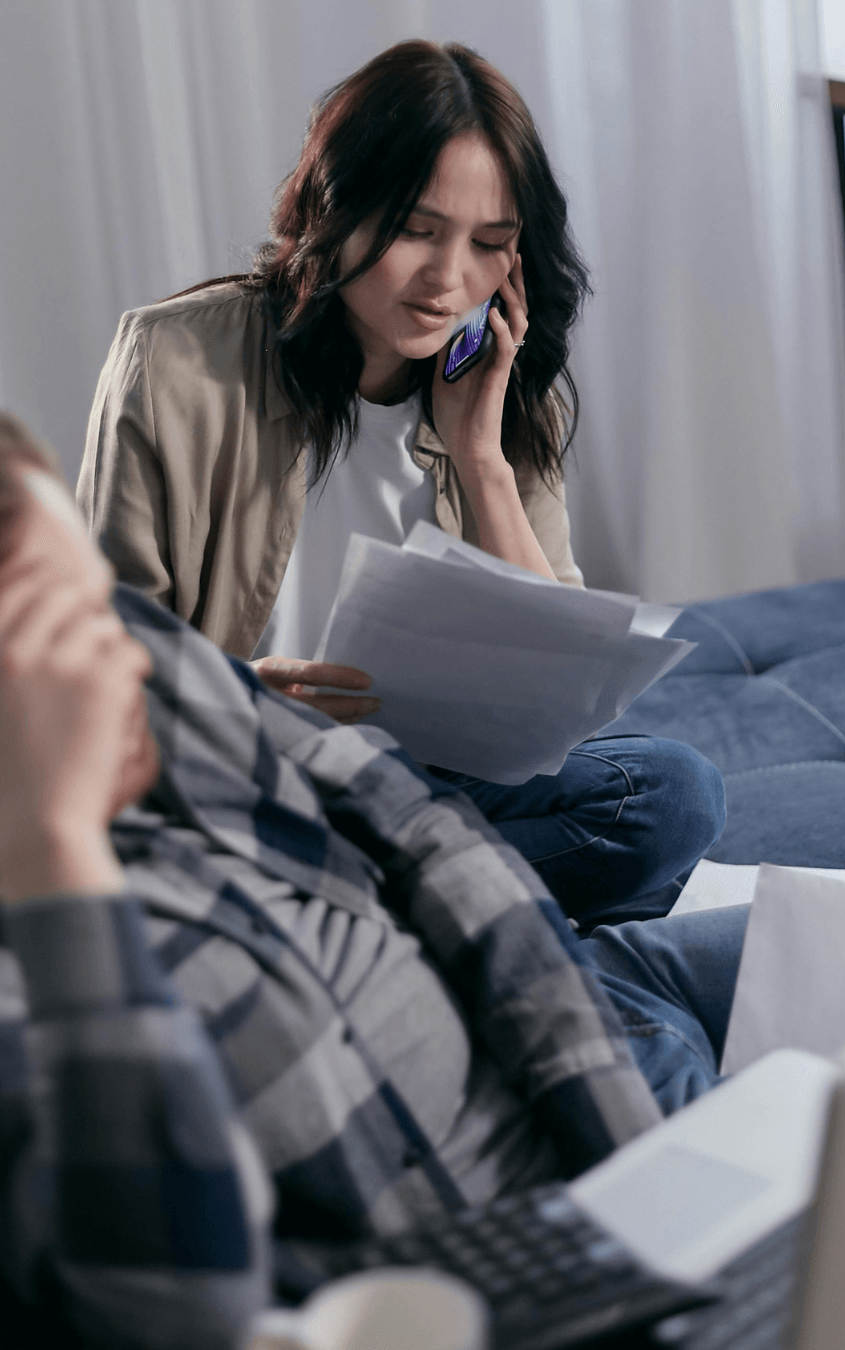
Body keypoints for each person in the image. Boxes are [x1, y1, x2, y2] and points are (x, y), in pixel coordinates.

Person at [0, 380, 751, 1350]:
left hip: (565, 1044)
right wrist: (58, 851)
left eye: (89, 605)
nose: (115, 668)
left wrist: (635, 1164)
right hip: (484, 1269)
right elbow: (179, 1313)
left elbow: (417, 824)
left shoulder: (113, 632)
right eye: (25, 662)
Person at [77, 39, 723, 929]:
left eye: (490, 244)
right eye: (416, 230)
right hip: (250, 774)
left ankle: (351, 910)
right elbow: (100, 662)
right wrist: (240, 697)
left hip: (428, 789)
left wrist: (480, 458)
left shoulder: (504, 392)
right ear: (334, 209)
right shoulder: (175, 362)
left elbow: (560, 699)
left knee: (676, 797)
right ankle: (428, 909)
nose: (447, 279)